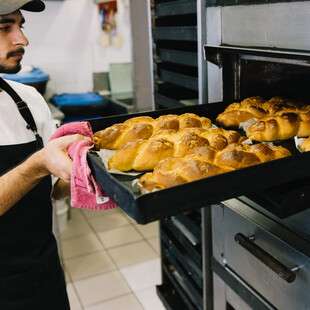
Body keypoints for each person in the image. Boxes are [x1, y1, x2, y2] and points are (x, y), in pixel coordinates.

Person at [0, 1, 86, 309]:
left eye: (21, 26)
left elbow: (52, 191)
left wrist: (89, 175)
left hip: (43, 273)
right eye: (4, 27)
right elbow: (38, 169)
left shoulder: (29, 100)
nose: (22, 39)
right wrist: (36, 165)